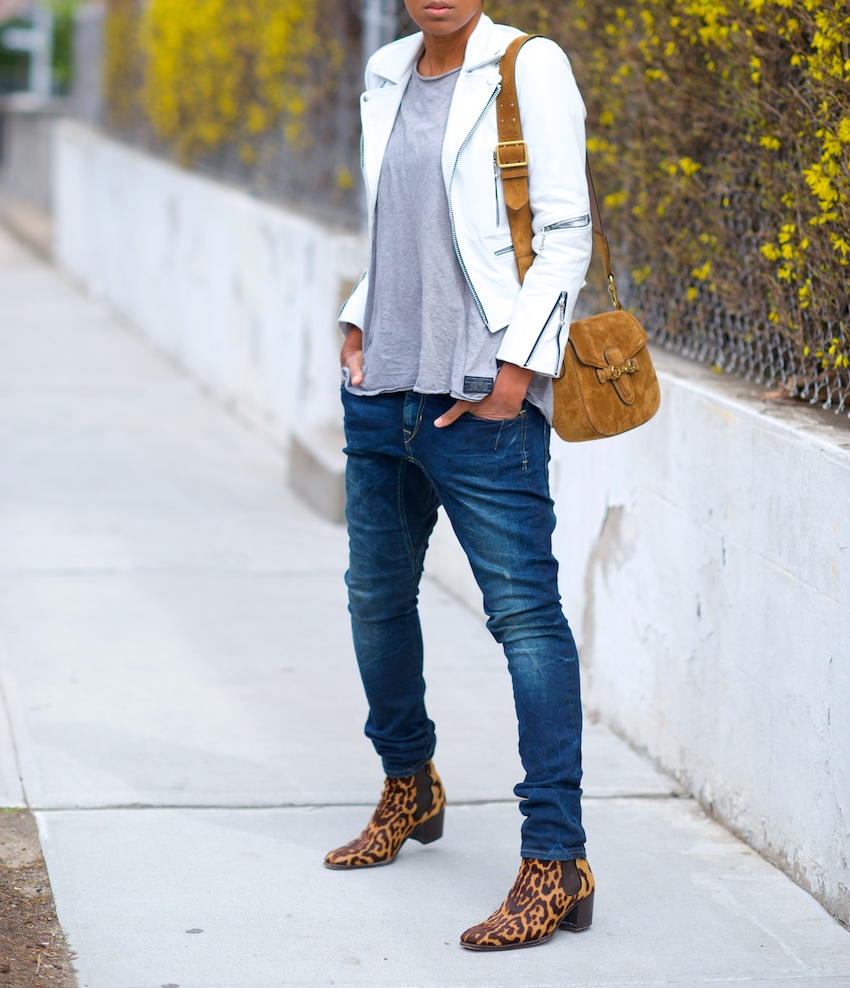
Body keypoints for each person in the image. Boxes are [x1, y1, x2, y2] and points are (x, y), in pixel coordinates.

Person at [324, 0, 595, 951]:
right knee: (374, 601)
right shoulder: (390, 70)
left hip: (482, 402)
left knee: (524, 619)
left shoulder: (529, 68)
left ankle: (556, 860)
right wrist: (360, 314)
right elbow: (399, 225)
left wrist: (513, 375)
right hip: (383, 390)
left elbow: (566, 233)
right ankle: (410, 782)